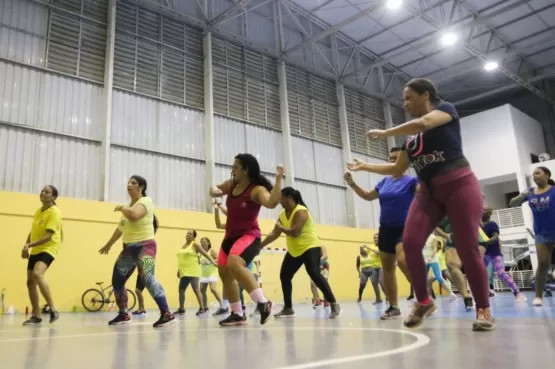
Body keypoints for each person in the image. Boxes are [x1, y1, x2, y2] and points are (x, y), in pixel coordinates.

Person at [349, 78, 494, 331]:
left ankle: (483, 309)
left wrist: (385, 133)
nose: (404, 103)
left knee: (467, 248)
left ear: (425, 95)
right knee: (412, 243)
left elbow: (425, 122)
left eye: (408, 98)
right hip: (429, 192)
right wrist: (365, 166)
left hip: (459, 185)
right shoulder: (411, 142)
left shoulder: (446, 110)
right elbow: (397, 167)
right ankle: (424, 301)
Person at [209, 154, 283, 326]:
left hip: (249, 236)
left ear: (245, 170)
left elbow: (272, 203)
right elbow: (216, 189)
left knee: (234, 263)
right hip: (229, 237)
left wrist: (279, 179)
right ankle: (237, 313)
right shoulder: (232, 184)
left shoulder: (256, 190)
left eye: (236, 167)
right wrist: (213, 190)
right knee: (224, 273)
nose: (232, 170)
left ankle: (264, 302)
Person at [344, 147, 415, 320]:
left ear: (405, 162)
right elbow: (368, 196)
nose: (392, 161)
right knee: (388, 269)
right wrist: (352, 183)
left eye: (396, 158)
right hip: (385, 229)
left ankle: (423, 294)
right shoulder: (384, 182)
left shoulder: (412, 181)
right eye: (390, 158)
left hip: (404, 227)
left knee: (403, 260)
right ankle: (393, 307)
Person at [99, 175, 173, 327]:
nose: (129, 184)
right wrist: (109, 244)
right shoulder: (128, 207)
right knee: (117, 279)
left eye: (133, 183)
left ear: (141, 187)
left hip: (145, 246)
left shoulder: (145, 201)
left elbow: (134, 216)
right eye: (128, 182)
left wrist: (122, 208)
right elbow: (121, 228)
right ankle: (123, 314)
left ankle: (166, 313)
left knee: (147, 277)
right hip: (129, 249)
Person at [260, 187, 341, 318]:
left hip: (310, 246)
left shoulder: (301, 211)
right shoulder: (282, 215)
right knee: (285, 275)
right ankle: (288, 308)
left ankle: (334, 304)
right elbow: (275, 233)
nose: (279, 201)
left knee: (314, 273)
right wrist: (260, 245)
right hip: (294, 250)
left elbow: (295, 232)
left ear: (290, 198)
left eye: (282, 198)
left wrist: (281, 228)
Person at [510, 166, 555, 306]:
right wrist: (522, 195)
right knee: (542, 264)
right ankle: (538, 296)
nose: (535, 176)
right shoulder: (530, 192)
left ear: (547, 175)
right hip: (541, 233)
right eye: (533, 174)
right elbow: (512, 204)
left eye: (538, 173)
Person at [21, 185, 62, 325]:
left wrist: (30, 245)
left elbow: (48, 236)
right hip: (36, 249)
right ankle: (37, 315)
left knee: (38, 274)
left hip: (49, 247)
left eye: (47, 192)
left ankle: (53, 309)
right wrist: (26, 246)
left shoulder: (54, 212)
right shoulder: (38, 211)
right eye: (42, 191)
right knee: (30, 281)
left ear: (53, 197)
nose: (43, 193)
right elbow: (32, 231)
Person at [481, 208, 527, 303]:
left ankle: (518, 293)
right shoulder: (480, 227)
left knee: (501, 273)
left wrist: (485, 241)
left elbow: (495, 237)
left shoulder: (492, 224)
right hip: (484, 255)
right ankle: (483, 295)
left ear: (488, 214)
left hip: (495, 254)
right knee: (480, 275)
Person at [174, 230, 217, 315]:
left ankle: (202, 308)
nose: (188, 234)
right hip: (184, 272)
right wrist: (179, 270)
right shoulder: (183, 246)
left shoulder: (194, 245)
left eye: (191, 234)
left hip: (193, 271)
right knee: (181, 289)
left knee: (196, 289)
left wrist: (213, 262)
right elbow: (182, 259)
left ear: (194, 237)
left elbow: (204, 253)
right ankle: (181, 309)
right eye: (187, 233)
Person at [422, 234, 457, 301]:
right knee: (424, 280)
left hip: (433, 260)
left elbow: (435, 249)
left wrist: (429, 258)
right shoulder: (419, 237)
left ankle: (451, 294)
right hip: (424, 261)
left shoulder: (432, 237)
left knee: (439, 277)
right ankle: (428, 297)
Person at [356, 239, 386, 304]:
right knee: (373, 283)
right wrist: (361, 247)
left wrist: (369, 247)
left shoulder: (382, 246)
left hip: (381, 266)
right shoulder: (370, 247)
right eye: (374, 238)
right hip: (373, 268)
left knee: (381, 281)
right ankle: (378, 299)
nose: (376, 239)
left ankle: (388, 297)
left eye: (377, 238)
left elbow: (378, 253)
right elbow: (362, 251)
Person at [199, 237, 224, 314]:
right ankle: (205, 306)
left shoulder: (211, 251)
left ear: (208, 243)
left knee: (213, 289)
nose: (202, 243)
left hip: (212, 273)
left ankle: (223, 305)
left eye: (204, 242)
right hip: (204, 274)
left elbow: (218, 259)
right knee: (202, 290)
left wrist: (211, 261)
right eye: (201, 242)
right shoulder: (201, 253)